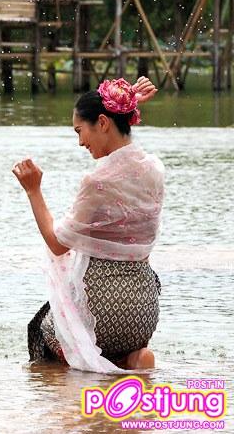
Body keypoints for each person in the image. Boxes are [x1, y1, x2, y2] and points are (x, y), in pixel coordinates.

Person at [14, 76, 162, 373]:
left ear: (103, 122)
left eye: (80, 131)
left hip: (101, 311)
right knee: (118, 345)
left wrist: (33, 191)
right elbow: (125, 154)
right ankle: (134, 358)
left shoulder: (96, 182)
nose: (81, 142)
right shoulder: (154, 169)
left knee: (43, 329)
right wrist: (126, 104)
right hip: (143, 311)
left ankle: (72, 385)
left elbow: (57, 243)